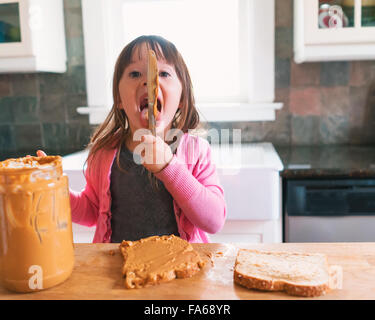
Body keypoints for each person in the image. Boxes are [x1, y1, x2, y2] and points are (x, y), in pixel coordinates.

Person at [37, 35, 226, 243]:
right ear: (118, 98)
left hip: (180, 272)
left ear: (182, 98)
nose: (149, 80)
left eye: (163, 73)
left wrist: (169, 167)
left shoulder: (195, 151)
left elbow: (214, 221)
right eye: (135, 74)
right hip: (118, 270)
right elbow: (91, 211)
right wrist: (57, 190)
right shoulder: (104, 153)